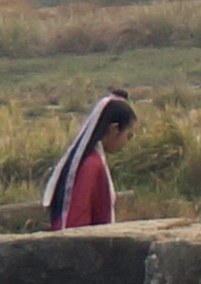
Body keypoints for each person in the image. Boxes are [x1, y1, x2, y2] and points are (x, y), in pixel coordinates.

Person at [44, 92, 136, 230]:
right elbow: (77, 220)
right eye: (129, 135)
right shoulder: (91, 165)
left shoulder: (89, 161)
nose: (127, 142)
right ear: (114, 129)